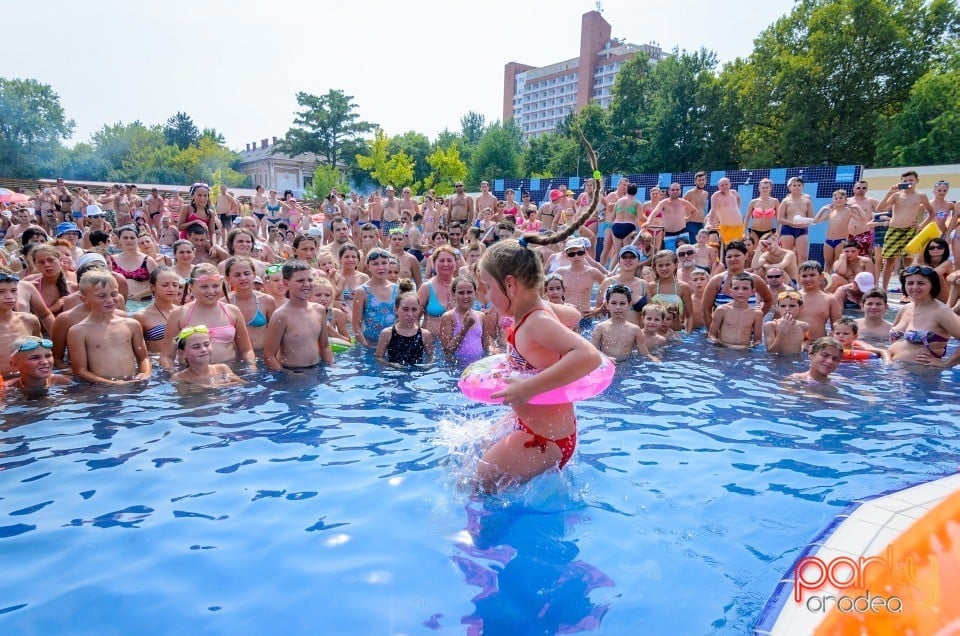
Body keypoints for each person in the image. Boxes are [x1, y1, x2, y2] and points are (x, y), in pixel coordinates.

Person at [472, 182, 603, 492]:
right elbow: (572, 315)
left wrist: (528, 387)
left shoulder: (535, 322)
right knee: (476, 447)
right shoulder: (537, 313)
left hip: (547, 440)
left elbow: (589, 356)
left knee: (478, 483)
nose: (486, 295)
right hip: (537, 426)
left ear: (510, 284)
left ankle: (480, 541)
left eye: (489, 287)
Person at [160, 264, 255, 370]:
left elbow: (246, 350)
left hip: (228, 372)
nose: (211, 291)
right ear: (191, 287)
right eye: (204, 286)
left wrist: (251, 368)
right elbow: (167, 356)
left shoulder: (232, 311)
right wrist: (173, 375)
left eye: (215, 286)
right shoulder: (180, 314)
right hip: (191, 374)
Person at [66, 272, 151, 384]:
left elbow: (143, 358)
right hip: (101, 389)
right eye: (101, 296)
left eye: (114, 294)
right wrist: (110, 383)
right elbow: (80, 371)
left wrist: (145, 373)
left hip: (132, 384)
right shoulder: (78, 331)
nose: (110, 300)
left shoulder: (132, 325)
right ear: (84, 299)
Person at [263, 260, 334, 370]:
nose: (307, 284)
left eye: (310, 280)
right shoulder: (281, 315)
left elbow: (324, 346)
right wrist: (286, 376)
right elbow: (269, 356)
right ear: (286, 283)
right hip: (292, 372)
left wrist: (331, 367)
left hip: (316, 368)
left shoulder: (319, 310)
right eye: (300, 280)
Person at [888, 265, 960, 365]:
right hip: (893, 372)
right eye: (910, 283)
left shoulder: (941, 312)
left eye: (921, 283)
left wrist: (946, 365)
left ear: (932, 285)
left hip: (921, 376)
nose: (914, 287)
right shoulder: (906, 308)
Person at [876, 170, 935, 292]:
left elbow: (931, 213)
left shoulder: (921, 196)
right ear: (901, 182)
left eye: (911, 180)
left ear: (917, 181)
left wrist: (921, 225)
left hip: (910, 231)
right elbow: (879, 208)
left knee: (908, 262)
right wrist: (889, 193)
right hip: (894, 230)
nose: (908, 183)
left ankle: (907, 291)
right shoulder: (896, 195)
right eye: (905, 181)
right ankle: (884, 290)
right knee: (889, 262)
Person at [590, 284, 659, 361]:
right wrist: (605, 358)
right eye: (613, 303)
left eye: (622, 303)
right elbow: (592, 351)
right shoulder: (601, 328)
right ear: (607, 305)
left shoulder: (634, 329)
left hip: (626, 365)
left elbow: (644, 353)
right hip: (607, 365)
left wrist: (654, 359)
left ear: (629, 305)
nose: (618, 307)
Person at [376, 280, 434, 365]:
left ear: (418, 310)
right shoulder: (387, 334)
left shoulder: (425, 334)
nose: (410, 314)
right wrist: (391, 365)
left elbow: (431, 357)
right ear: (396, 310)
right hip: (393, 374)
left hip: (417, 375)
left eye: (414, 310)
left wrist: (428, 365)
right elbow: (379, 357)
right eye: (405, 309)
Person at [812, 189, 870, 274]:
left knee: (837, 263)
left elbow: (863, 219)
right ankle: (826, 283)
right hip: (828, 240)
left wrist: (857, 207)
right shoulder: (831, 211)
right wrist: (823, 209)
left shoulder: (848, 210)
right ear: (833, 200)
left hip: (841, 240)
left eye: (841, 198)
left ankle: (835, 282)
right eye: (836, 198)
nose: (838, 200)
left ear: (845, 200)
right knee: (828, 263)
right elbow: (815, 221)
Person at [225, 256, 276, 351]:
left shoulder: (267, 301)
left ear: (254, 274)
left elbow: (276, 333)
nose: (243, 278)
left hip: (262, 356)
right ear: (228, 279)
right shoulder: (224, 303)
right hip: (234, 358)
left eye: (247, 273)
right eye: (237, 275)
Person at [352, 249, 399, 347]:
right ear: (368, 267)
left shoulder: (397, 289)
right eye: (375, 264)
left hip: (394, 344)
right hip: (370, 344)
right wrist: (366, 347)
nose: (380, 267)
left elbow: (401, 320)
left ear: (389, 265)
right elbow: (356, 326)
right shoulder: (362, 291)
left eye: (384, 263)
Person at [0, 272, 43, 378]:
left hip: (28, 381)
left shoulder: (29, 321)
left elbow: (41, 353)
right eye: (1, 292)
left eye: (14, 291)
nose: (9, 297)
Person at [171, 325, 245, 385]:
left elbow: (242, 383)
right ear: (181, 353)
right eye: (196, 347)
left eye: (206, 345)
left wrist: (206, 386)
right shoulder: (179, 378)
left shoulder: (222, 369)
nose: (203, 349)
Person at [707, 273, 763, 348]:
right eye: (736, 288)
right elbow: (711, 335)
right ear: (731, 292)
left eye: (745, 288)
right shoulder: (722, 310)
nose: (740, 292)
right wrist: (718, 346)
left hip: (744, 351)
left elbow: (758, 340)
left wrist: (750, 348)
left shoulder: (756, 313)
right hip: (724, 350)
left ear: (752, 292)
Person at [438, 276, 486, 364]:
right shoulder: (448, 317)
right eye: (461, 293)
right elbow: (447, 350)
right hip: (457, 365)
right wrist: (465, 328)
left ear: (475, 293)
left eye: (469, 292)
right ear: (453, 294)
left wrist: (494, 351)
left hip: (477, 365)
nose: (465, 296)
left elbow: (486, 344)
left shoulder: (481, 316)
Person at [135, 267, 182, 354]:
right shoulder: (141, 316)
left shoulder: (184, 311)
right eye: (165, 285)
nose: (171, 289)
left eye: (175, 285)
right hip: (157, 364)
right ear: (153, 287)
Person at [5, 336, 71, 394]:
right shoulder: (7, 388)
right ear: (14, 364)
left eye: (48, 356)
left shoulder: (63, 381)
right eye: (35, 358)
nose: (45, 362)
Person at [418, 245, 457, 336]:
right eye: (441, 260)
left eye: (450, 260)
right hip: (432, 343)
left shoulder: (462, 287)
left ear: (455, 264)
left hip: (457, 343)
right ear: (433, 264)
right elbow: (415, 318)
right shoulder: (426, 288)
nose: (446, 264)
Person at [796, 260, 841, 339]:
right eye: (804, 276)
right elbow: (777, 323)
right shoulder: (791, 298)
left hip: (818, 345)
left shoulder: (830, 300)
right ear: (799, 277)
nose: (808, 279)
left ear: (821, 276)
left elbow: (838, 328)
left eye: (812, 275)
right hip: (794, 345)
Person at [111, 225, 158, 300]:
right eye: (125, 238)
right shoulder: (112, 260)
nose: (129, 240)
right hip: (118, 303)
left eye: (132, 238)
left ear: (137, 240)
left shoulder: (148, 261)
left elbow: (159, 284)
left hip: (142, 303)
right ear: (119, 240)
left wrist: (140, 294)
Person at [777, 177, 814, 264]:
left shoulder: (807, 201)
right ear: (790, 187)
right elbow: (780, 219)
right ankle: (789, 277)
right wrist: (792, 223)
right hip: (788, 229)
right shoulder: (786, 201)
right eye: (794, 185)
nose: (797, 187)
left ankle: (801, 277)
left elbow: (811, 218)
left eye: (799, 185)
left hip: (802, 229)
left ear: (802, 187)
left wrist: (804, 223)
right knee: (788, 257)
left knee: (803, 257)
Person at [707, 178, 743, 252]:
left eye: (726, 184)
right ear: (719, 187)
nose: (724, 187)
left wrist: (737, 209)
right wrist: (710, 223)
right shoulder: (716, 196)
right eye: (722, 185)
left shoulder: (734, 193)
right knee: (731, 249)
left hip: (740, 226)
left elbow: (739, 198)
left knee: (741, 249)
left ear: (730, 184)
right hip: (727, 228)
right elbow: (713, 210)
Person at [745, 178, 779, 242]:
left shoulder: (775, 201)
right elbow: (747, 218)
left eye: (767, 187)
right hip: (754, 231)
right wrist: (744, 232)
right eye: (763, 188)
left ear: (770, 188)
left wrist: (778, 231)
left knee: (767, 250)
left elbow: (778, 218)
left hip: (768, 231)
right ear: (759, 188)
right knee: (754, 250)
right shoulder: (753, 202)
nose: (765, 189)